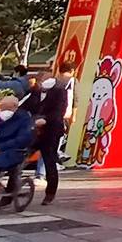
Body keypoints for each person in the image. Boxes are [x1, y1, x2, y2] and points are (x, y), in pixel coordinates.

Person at [29, 63, 75, 204]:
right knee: (19, 154)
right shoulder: (35, 92)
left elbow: (59, 112)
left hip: (52, 131)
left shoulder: (60, 91)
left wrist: (45, 119)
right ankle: (12, 189)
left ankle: (50, 193)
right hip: (34, 130)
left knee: (49, 160)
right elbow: (27, 106)